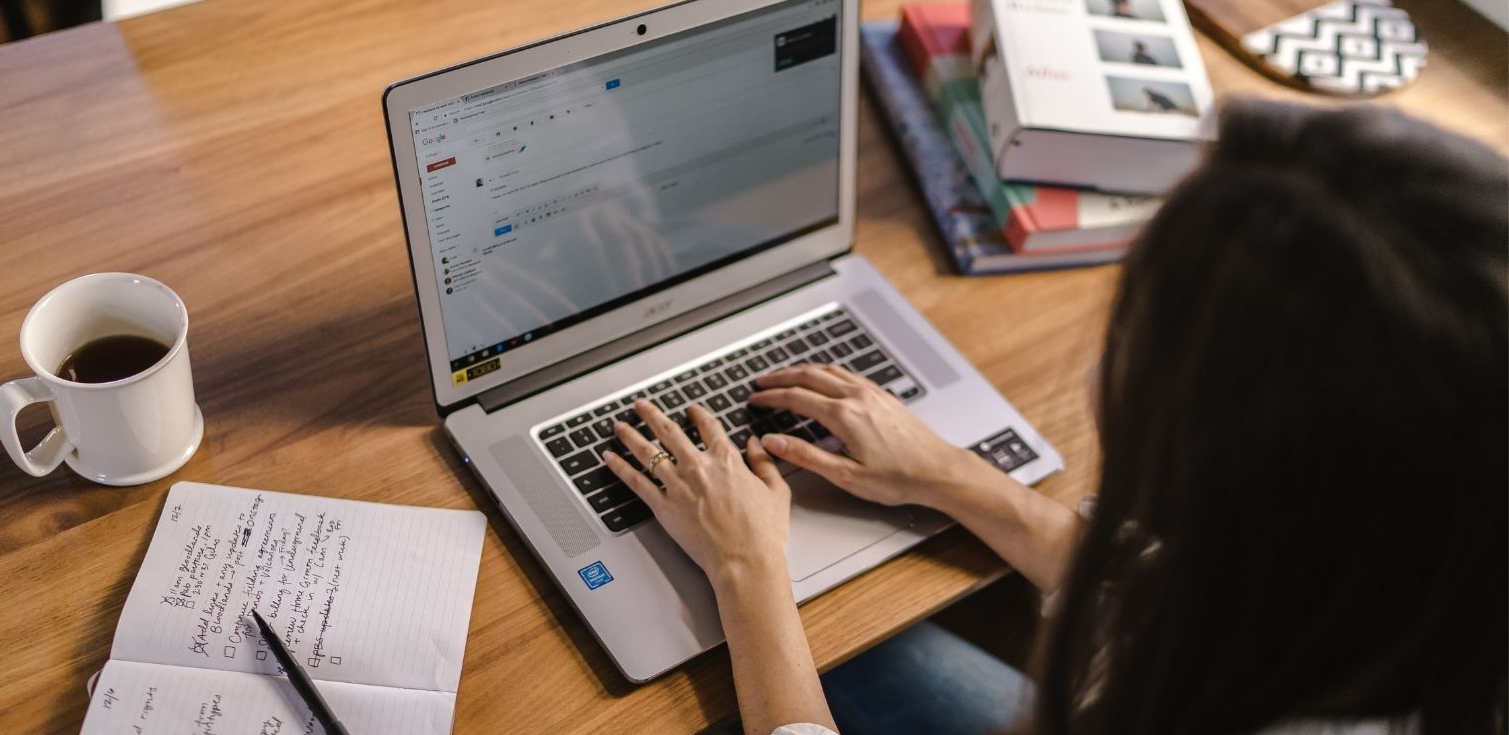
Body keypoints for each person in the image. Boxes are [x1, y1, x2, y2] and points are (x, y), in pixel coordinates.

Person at [597, 98, 1507, 735]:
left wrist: (750, 571)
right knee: (868, 654)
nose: (1099, 366)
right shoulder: (1407, 588)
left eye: (1136, 323)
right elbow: (1168, 589)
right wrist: (949, 475)